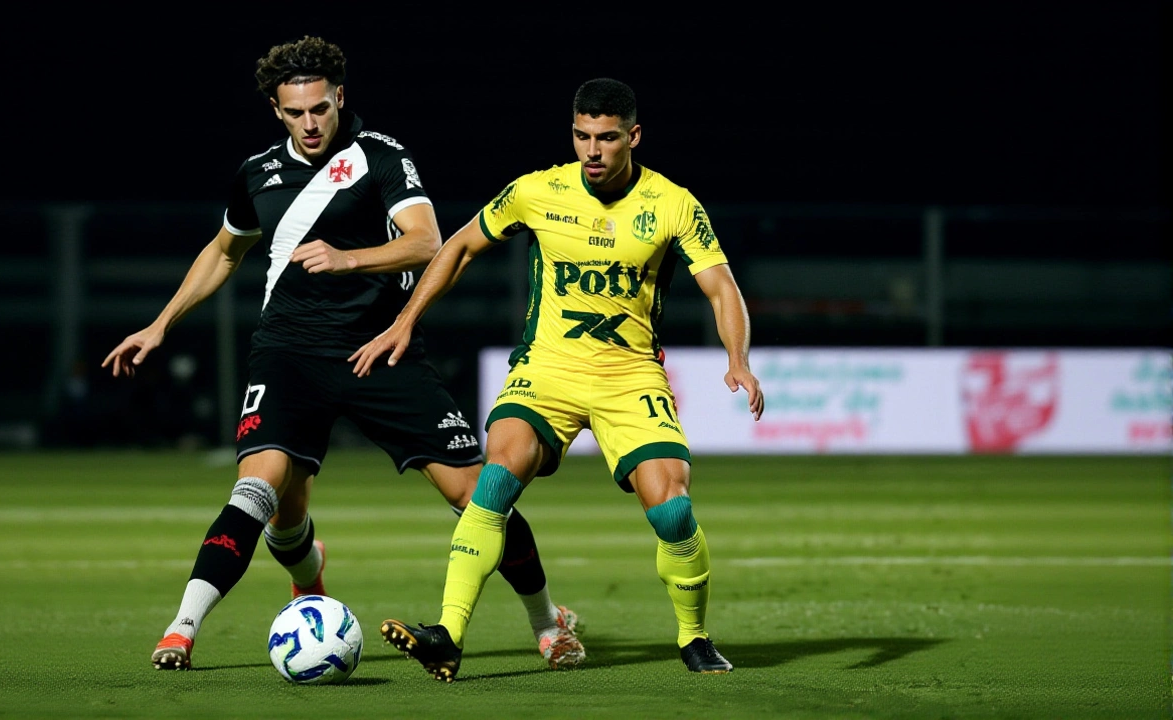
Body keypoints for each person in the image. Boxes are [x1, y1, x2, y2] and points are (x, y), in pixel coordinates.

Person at [101, 35, 583, 672]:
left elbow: (426, 241)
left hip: (378, 350)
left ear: (339, 99)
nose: (310, 123)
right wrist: (161, 323)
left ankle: (548, 623)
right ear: (277, 109)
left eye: (320, 109)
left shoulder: (380, 158)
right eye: (296, 112)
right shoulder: (257, 174)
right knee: (265, 497)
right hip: (288, 356)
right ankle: (183, 627)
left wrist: (348, 257)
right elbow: (223, 251)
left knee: (477, 491)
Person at [350, 78, 765, 681]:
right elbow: (461, 246)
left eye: (605, 138)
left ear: (633, 137)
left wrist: (738, 359)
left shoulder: (673, 203)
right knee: (495, 478)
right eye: (581, 136)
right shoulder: (537, 190)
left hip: (629, 376)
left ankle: (694, 639)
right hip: (547, 368)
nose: (591, 150)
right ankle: (447, 634)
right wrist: (405, 321)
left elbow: (720, 284)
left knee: (672, 511)